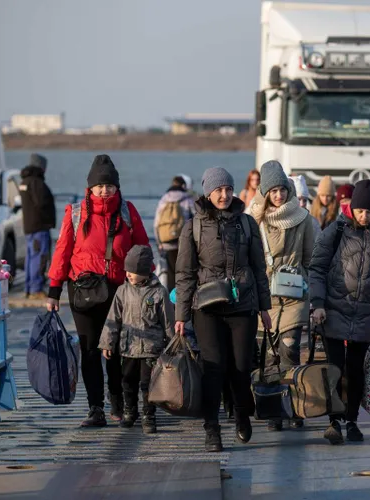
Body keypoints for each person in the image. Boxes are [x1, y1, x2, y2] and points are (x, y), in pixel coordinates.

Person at [46, 154, 150, 427]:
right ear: (90, 188)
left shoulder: (128, 212)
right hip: (83, 290)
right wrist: (53, 291)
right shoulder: (76, 213)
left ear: (117, 187)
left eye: (110, 185)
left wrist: (146, 279)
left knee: (116, 349)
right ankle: (95, 408)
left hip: (119, 291)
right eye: (99, 186)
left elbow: (142, 249)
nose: (105, 190)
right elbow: (62, 251)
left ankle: (117, 400)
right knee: (90, 349)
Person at [175, 167, 271, 452]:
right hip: (207, 307)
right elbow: (184, 274)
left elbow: (259, 269)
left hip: (242, 304)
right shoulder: (192, 227)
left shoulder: (247, 224)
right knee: (213, 368)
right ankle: (211, 429)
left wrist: (265, 307)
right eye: (218, 190)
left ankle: (242, 414)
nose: (224, 194)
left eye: (228, 189)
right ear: (208, 192)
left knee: (241, 368)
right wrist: (181, 315)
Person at [310, 179, 370, 445]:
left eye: (369, 211)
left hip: (366, 311)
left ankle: (353, 420)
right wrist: (318, 303)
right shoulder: (336, 230)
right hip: (334, 307)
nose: (364, 216)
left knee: (357, 370)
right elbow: (318, 267)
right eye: (360, 211)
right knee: (334, 367)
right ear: (352, 208)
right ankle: (334, 420)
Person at [250, 160, 315, 432]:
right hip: (265, 299)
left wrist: (307, 286)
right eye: (273, 191)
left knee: (289, 352)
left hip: (293, 297)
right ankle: (275, 410)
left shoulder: (303, 219)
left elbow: (311, 257)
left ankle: (295, 408)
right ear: (265, 193)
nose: (279, 195)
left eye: (282, 189)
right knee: (268, 358)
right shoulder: (254, 221)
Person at [98, 245, 173, 434]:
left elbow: (168, 321)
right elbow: (113, 319)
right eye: (127, 270)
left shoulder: (159, 292)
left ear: (145, 271)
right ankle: (130, 411)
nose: (129, 274)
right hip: (129, 347)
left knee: (148, 384)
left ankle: (149, 414)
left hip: (151, 348)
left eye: (133, 271)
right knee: (127, 381)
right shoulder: (123, 291)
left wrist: (173, 344)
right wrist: (107, 342)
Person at [19, 153, 56, 299]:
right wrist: (49, 220)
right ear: (42, 167)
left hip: (29, 226)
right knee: (39, 257)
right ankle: (36, 289)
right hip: (39, 226)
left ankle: (29, 288)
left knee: (30, 257)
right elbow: (41, 203)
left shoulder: (25, 182)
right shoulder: (36, 182)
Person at [154, 175, 195, 286]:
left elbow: (156, 223)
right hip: (182, 241)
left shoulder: (163, 199)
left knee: (170, 274)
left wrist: (159, 243)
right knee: (184, 272)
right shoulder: (187, 199)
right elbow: (195, 219)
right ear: (183, 185)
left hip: (166, 242)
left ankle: (173, 300)